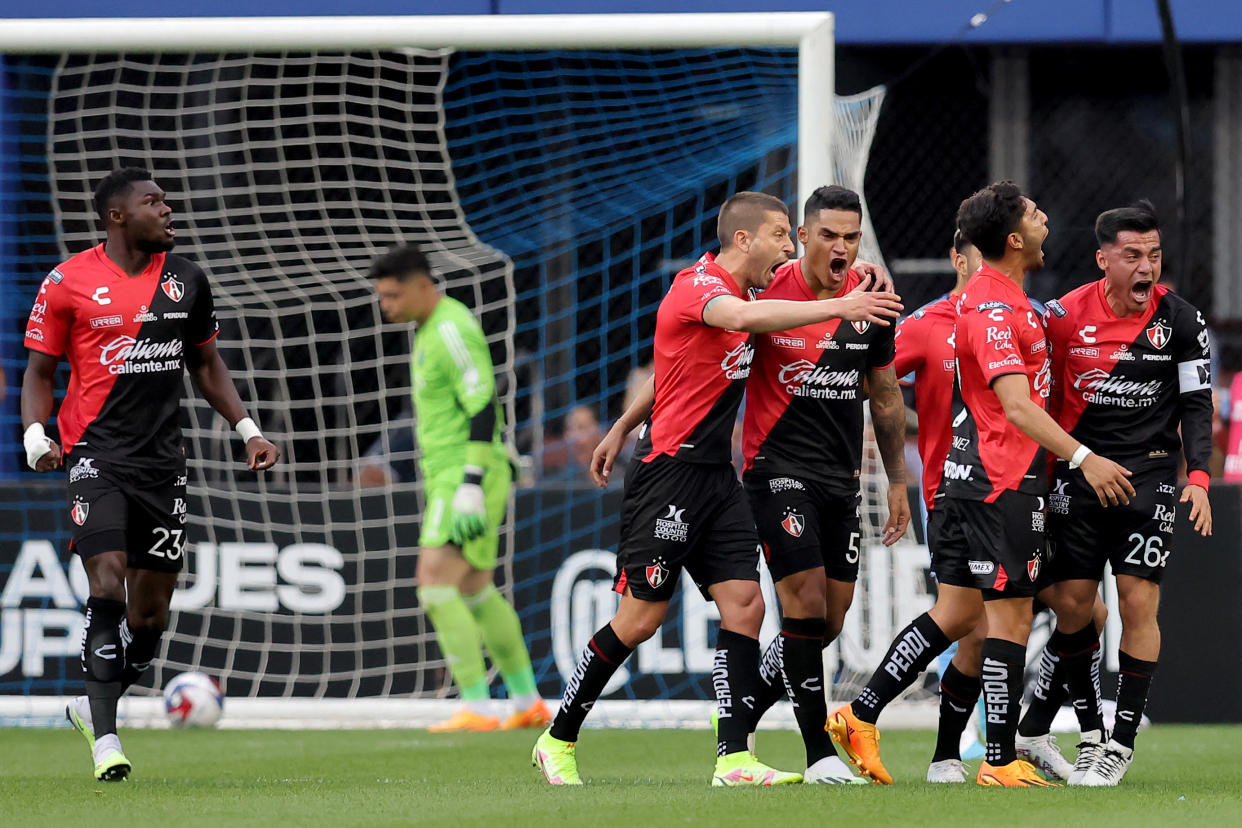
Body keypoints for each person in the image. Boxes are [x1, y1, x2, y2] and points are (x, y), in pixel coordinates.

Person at [532, 191, 902, 787]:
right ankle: (559, 736)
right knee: (640, 620)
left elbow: (669, 367)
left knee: (747, 605)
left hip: (718, 477)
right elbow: (742, 322)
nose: (789, 247)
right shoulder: (699, 288)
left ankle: (733, 757)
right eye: (782, 234)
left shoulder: (756, 293)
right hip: (668, 472)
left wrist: (619, 424)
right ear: (743, 240)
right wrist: (845, 305)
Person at [827, 180, 1134, 787]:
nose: (1048, 220)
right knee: (1012, 621)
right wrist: (1084, 459)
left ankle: (862, 713)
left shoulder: (1008, 303)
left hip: (976, 482)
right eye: (1037, 214)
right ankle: (1000, 758)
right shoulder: (993, 308)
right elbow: (1016, 407)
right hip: (1002, 480)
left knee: (961, 612)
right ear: (1014, 238)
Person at [21, 167, 281, 781]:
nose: (168, 209)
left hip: (163, 465)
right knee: (106, 583)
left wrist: (249, 429)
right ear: (117, 216)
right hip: (94, 456)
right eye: (153, 202)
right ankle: (107, 741)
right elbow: (39, 372)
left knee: (150, 618)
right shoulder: (67, 282)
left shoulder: (187, 280)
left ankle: (93, 703)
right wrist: (37, 435)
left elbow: (206, 364)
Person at [1021, 200, 1213, 786]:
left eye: (1154, 255)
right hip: (1077, 477)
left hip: (1150, 478)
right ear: (1103, 259)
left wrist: (1199, 477)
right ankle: (1062, 731)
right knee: (1076, 608)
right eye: (1132, 255)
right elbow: (1032, 400)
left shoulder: (1181, 322)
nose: (1146, 267)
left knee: (1137, 602)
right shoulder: (1059, 317)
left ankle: (1118, 744)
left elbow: (1196, 404)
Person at [736, 185, 910, 784]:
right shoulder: (763, 294)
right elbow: (698, 351)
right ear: (803, 236)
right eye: (829, 235)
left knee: (828, 622)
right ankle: (816, 755)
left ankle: (737, 719)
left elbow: (885, 396)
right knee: (803, 602)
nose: (841, 247)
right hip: (775, 470)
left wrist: (897, 482)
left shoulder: (873, 298)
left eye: (851, 236)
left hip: (841, 480)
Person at [370, 243, 548, 733]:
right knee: (473, 588)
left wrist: (469, 480)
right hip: (460, 473)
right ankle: (527, 700)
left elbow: (483, 401)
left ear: (421, 285)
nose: (387, 306)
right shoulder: (430, 328)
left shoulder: (450, 327)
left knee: (433, 583)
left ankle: (477, 705)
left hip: (465, 474)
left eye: (392, 295)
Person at [892, 229, 987, 782]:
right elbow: (869, 377)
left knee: (1073, 609)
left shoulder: (1028, 316)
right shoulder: (929, 324)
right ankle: (983, 747)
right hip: (951, 493)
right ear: (957, 259)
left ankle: (984, 746)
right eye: (984, 258)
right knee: (967, 620)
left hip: (1021, 492)